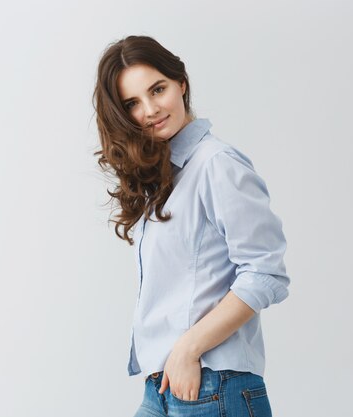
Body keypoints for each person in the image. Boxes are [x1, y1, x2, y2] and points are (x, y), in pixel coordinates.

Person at [92, 35, 291, 417]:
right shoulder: (164, 180)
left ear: (181, 83)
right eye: (132, 103)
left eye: (158, 89)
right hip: (166, 385)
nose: (150, 109)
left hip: (214, 384)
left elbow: (266, 272)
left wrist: (188, 348)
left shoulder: (216, 164)